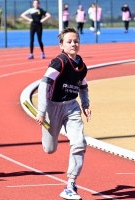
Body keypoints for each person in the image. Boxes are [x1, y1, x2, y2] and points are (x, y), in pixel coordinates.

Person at [35, 27, 91, 200]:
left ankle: (70, 184)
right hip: (52, 107)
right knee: (49, 149)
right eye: (69, 41)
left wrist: (85, 104)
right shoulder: (59, 62)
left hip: (71, 107)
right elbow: (44, 85)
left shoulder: (82, 66)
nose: (73, 44)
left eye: (76, 41)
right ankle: (54, 131)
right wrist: (42, 111)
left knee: (80, 142)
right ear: (61, 45)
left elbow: (83, 87)